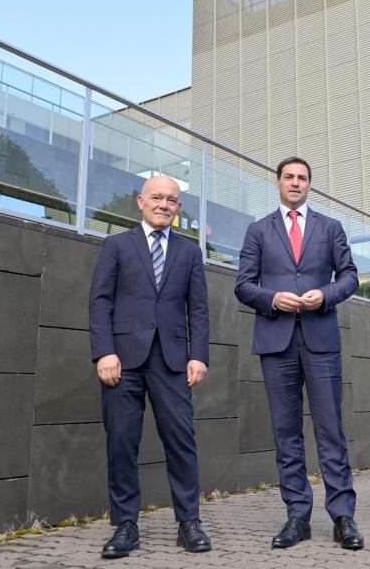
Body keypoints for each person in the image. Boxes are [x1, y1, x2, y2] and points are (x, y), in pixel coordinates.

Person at [234, 157, 365, 550]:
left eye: (302, 178)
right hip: (276, 342)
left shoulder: (331, 227)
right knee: (286, 433)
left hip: (320, 340)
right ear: (277, 183)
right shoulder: (258, 230)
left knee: (331, 432)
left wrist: (324, 294)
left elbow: (350, 277)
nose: (295, 183)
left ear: (310, 184)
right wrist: (273, 298)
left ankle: (343, 516)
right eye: (289, 177)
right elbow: (243, 284)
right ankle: (297, 516)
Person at [89, 175, 212, 558]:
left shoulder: (190, 253)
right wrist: (103, 352)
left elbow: (199, 309)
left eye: (171, 200)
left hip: (173, 361)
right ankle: (126, 526)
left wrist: (199, 355)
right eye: (157, 197)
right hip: (122, 361)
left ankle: (189, 522)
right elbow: (100, 302)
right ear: (140, 201)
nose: (164, 204)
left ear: (178, 208)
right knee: (122, 443)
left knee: (182, 441)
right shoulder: (115, 246)